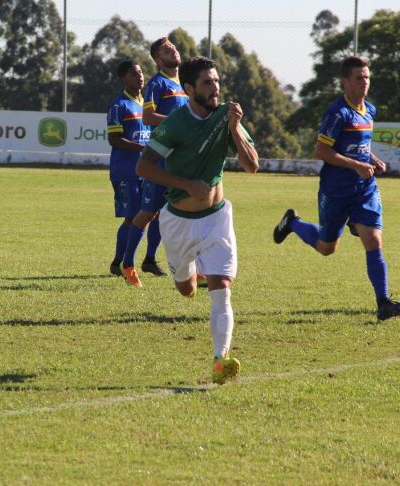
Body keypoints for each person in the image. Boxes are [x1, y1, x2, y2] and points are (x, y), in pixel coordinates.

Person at [136, 56, 259, 384]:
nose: (215, 87)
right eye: (207, 83)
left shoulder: (226, 115)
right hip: (178, 224)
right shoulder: (175, 123)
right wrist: (187, 184)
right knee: (185, 288)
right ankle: (193, 274)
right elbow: (144, 168)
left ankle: (221, 359)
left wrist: (234, 128)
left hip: (216, 219)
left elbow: (252, 166)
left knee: (222, 288)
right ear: (189, 89)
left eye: (217, 81)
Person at [272, 56, 400, 321]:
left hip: (364, 188)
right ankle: (293, 223)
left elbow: (362, 147)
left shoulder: (369, 110)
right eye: (359, 78)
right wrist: (356, 164)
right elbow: (322, 150)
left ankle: (383, 301)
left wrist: (371, 159)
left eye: (367, 77)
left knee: (373, 240)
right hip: (336, 189)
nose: (365, 82)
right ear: (345, 82)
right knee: (326, 247)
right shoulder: (338, 113)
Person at [120, 37, 189, 287]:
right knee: (148, 212)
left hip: (181, 160)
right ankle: (128, 265)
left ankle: (154, 260)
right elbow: (148, 117)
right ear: (158, 59)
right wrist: (179, 123)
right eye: (165, 50)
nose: (172, 51)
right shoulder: (157, 83)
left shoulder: (185, 84)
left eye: (173, 47)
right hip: (159, 159)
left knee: (180, 213)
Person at [107, 60, 150, 280]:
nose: (140, 77)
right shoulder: (119, 105)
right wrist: (141, 147)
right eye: (134, 74)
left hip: (147, 171)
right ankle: (119, 262)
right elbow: (113, 139)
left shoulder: (148, 104)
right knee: (132, 217)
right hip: (125, 171)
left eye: (141, 72)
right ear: (124, 78)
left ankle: (129, 260)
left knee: (145, 216)